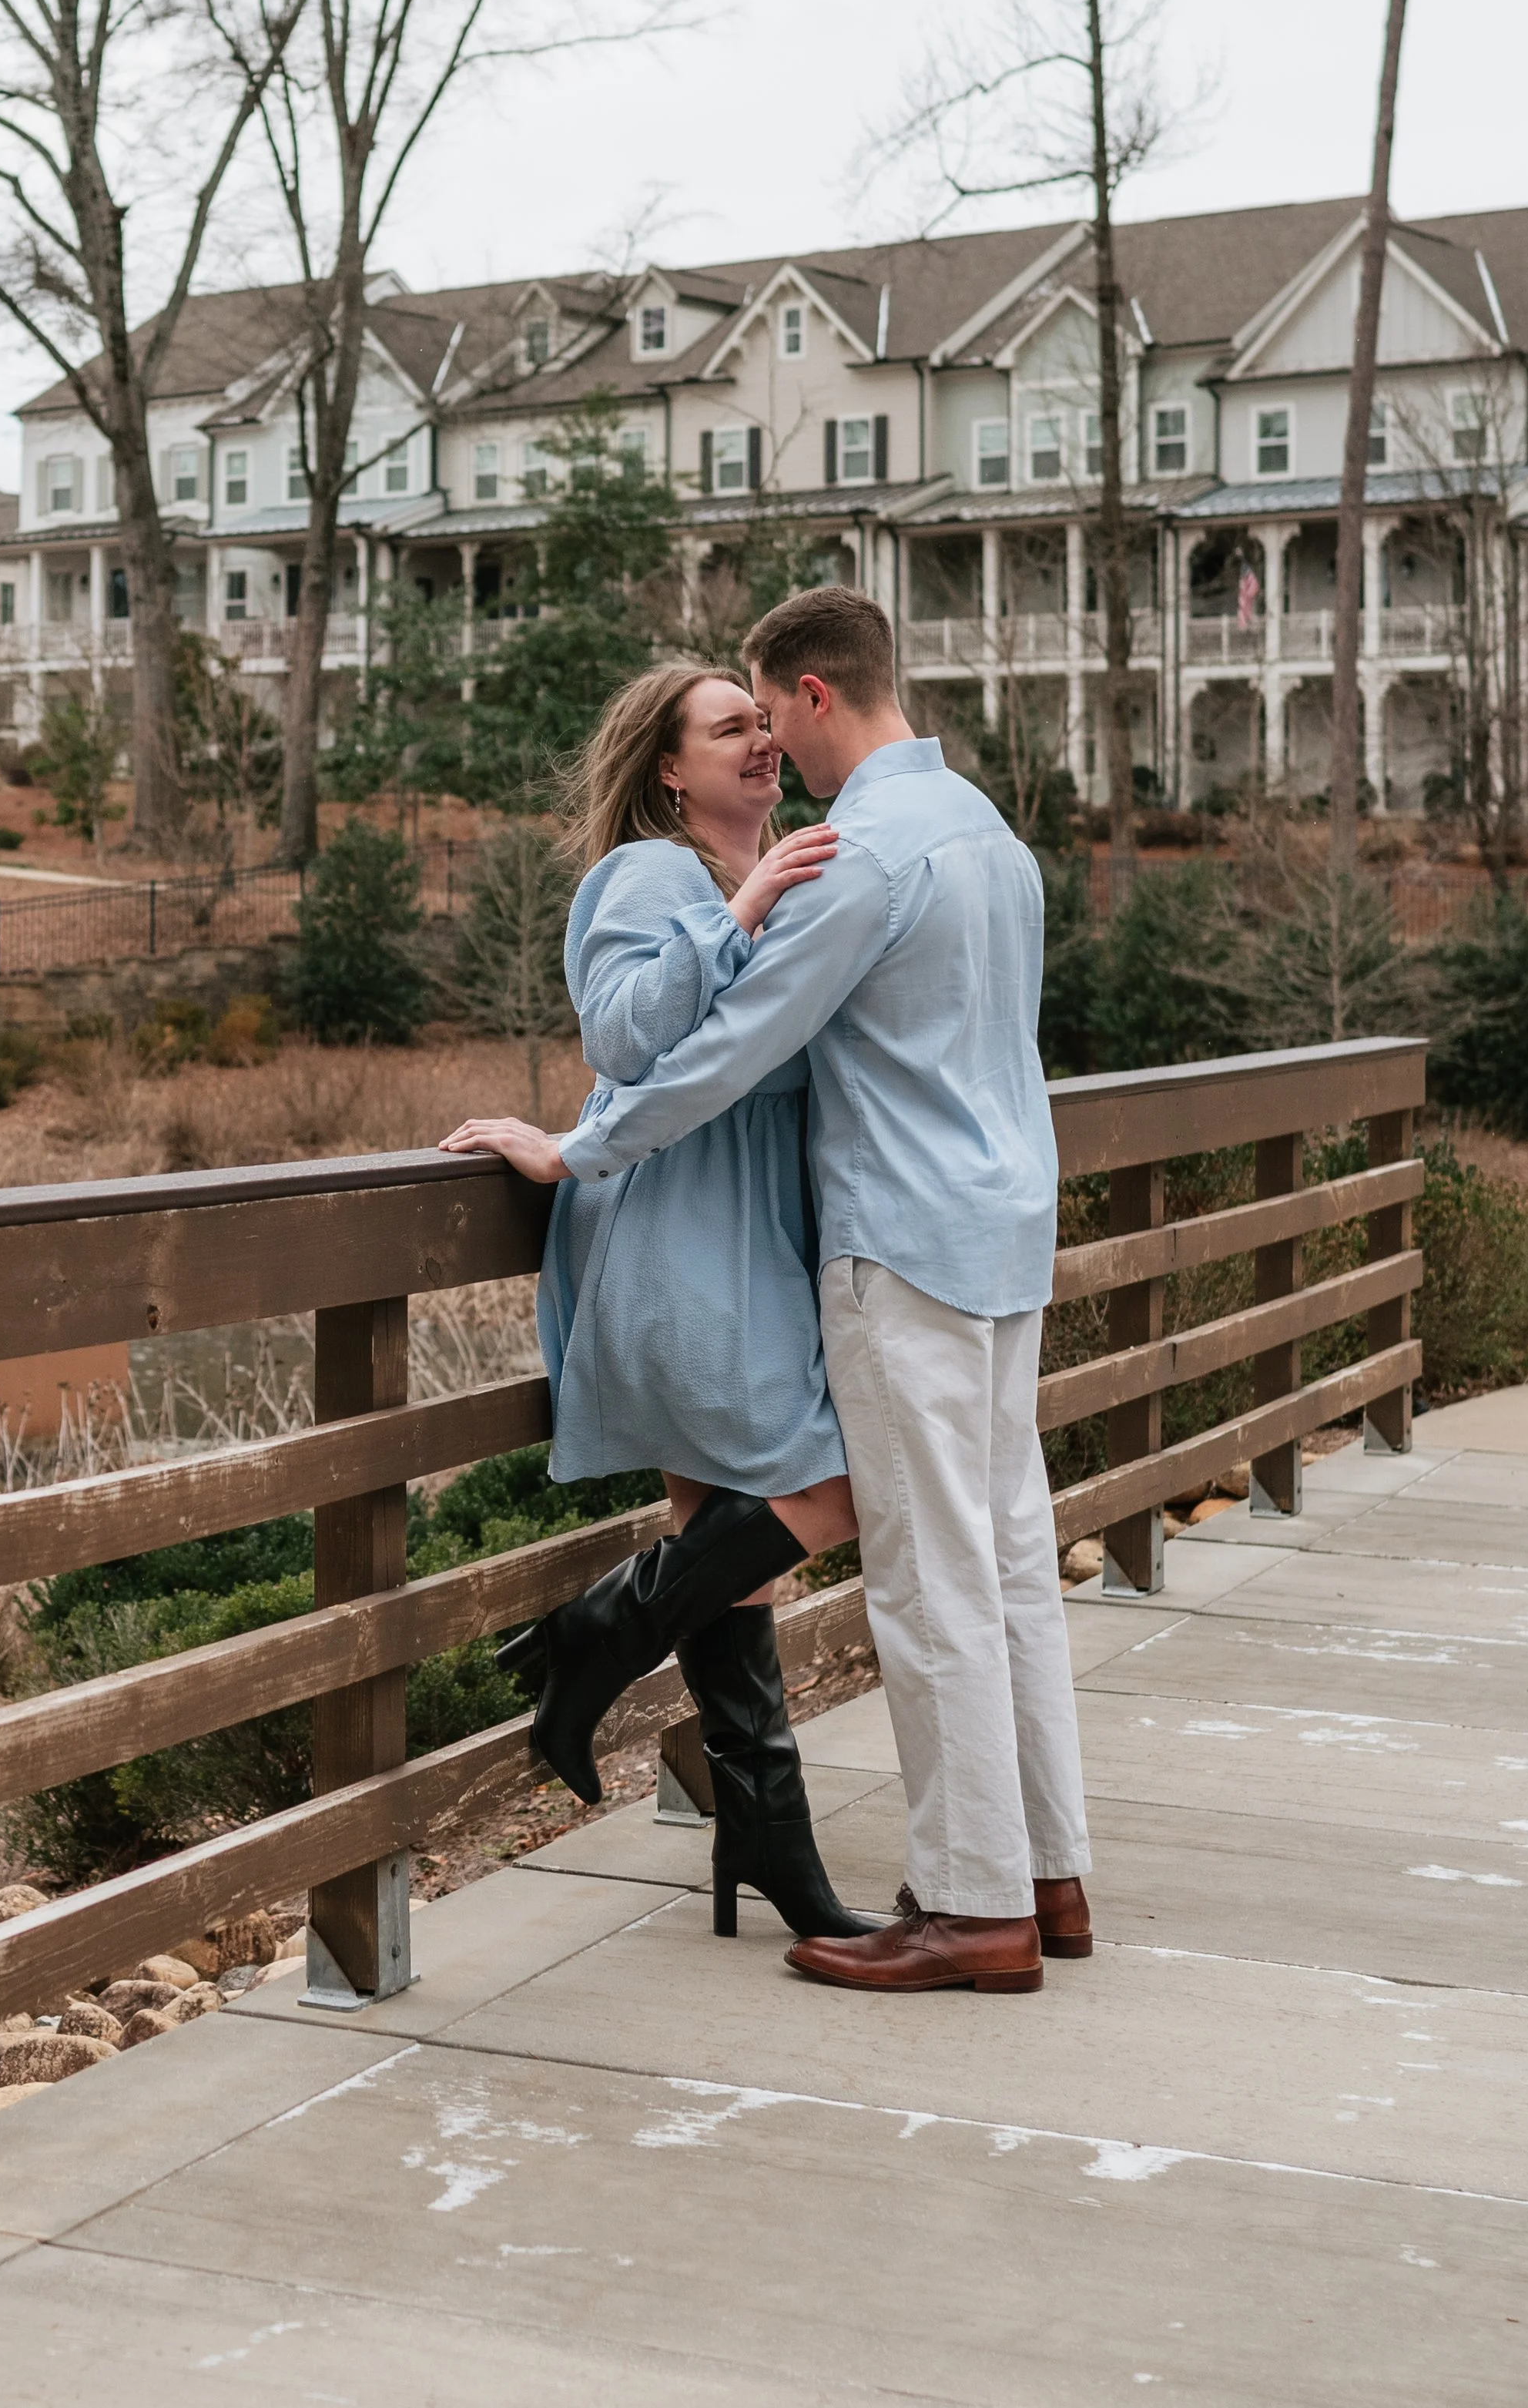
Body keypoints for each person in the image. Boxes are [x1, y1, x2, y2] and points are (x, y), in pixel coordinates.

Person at [536, 586, 1093, 1999]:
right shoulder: (991, 838)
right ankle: (1047, 1877)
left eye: (765, 707)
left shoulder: (860, 855)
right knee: (1012, 1560)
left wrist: (577, 1146)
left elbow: (728, 1052)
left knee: (931, 1578)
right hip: (1007, 1240)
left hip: (903, 1242)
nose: (770, 738)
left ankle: (973, 1911)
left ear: (813, 696)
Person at [439, 662, 873, 1946]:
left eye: (761, 723)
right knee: (834, 1486)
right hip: (680, 1241)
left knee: (728, 1571)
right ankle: (592, 1633)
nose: (760, 742)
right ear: (670, 769)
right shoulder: (648, 877)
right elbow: (624, 1038)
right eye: (728, 728)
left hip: (742, 1238)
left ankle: (769, 1855)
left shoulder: (784, 864)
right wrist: (737, 905)